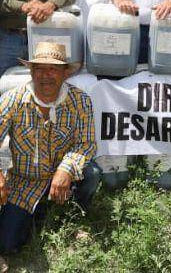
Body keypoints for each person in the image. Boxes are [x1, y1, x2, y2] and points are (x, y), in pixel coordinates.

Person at [0, 42, 99, 260]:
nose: (46, 75)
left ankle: (73, 215)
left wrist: (65, 169)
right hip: (25, 181)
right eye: (39, 69)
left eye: (53, 69)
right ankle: (38, 212)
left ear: (65, 73)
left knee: (91, 173)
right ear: (31, 72)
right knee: (7, 244)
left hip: (63, 178)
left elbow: (87, 143)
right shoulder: (13, 99)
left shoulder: (80, 101)